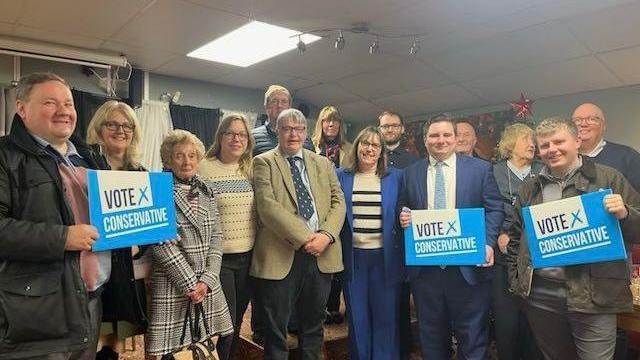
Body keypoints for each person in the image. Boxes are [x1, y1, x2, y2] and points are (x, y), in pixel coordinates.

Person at [505, 117, 640, 360]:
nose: (552, 149)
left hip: (594, 295)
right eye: (544, 145)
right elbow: (515, 237)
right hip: (542, 297)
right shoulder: (530, 187)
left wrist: (625, 214)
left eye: (559, 141)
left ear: (577, 141)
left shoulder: (609, 178)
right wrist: (517, 282)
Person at [0, 72, 105, 358]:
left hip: (91, 298)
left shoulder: (88, 157)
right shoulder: (4, 156)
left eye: (69, 104)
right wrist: (63, 237)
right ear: (21, 108)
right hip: (36, 311)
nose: (64, 111)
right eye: (50, 102)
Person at [398, 114, 504, 360]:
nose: (441, 140)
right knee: (432, 338)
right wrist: (403, 216)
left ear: (456, 139)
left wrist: (488, 243)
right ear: (425, 140)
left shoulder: (480, 169)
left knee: (473, 339)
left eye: (447, 135)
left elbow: (495, 208)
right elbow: (403, 207)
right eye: (434, 135)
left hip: (468, 270)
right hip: (427, 273)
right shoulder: (410, 173)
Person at [251, 108, 346, 360]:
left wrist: (325, 235)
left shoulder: (323, 164)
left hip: (321, 254)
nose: (293, 134)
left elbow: (339, 202)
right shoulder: (263, 162)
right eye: (286, 128)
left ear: (305, 133)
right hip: (281, 254)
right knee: (276, 330)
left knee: (314, 326)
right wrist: (307, 238)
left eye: (298, 128)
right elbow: (267, 206)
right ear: (278, 131)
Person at [146, 130, 234, 359]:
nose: (187, 161)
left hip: (206, 284)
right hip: (174, 285)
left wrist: (207, 279)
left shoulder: (207, 189)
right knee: (172, 352)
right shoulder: (157, 190)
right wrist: (190, 284)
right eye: (179, 156)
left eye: (192, 155)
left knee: (216, 341)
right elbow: (160, 245)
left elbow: (217, 236)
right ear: (168, 159)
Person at [85, 101, 149, 360]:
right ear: (99, 128)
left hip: (125, 275)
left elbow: (149, 228)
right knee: (87, 345)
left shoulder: (141, 173)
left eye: (127, 125)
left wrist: (140, 244)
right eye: (112, 124)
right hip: (91, 269)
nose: (120, 130)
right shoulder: (84, 167)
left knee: (111, 347)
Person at [337, 126, 404, 359]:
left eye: (376, 145)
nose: (370, 149)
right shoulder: (340, 176)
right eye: (365, 143)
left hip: (385, 259)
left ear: (382, 151)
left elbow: (404, 210)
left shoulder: (396, 177)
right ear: (356, 147)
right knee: (357, 319)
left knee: (386, 318)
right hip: (353, 259)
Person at [199, 113, 257, 354]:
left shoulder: (253, 169)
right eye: (230, 133)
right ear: (220, 136)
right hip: (218, 258)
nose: (236, 138)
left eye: (242, 134)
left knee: (237, 321)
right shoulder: (203, 167)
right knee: (226, 325)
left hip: (249, 256)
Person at [491, 123, 543, 360]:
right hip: (503, 259)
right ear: (510, 143)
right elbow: (487, 207)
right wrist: (498, 234)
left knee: (535, 325)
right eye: (526, 139)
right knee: (506, 323)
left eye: (534, 140)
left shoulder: (544, 170)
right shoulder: (493, 172)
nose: (532, 144)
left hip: (538, 258)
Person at [377, 110, 417, 357]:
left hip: (403, 241)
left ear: (402, 129)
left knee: (402, 301)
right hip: (373, 240)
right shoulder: (370, 156)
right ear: (379, 129)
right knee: (379, 299)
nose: (389, 130)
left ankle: (402, 350)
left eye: (394, 126)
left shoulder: (414, 161)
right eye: (385, 126)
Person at [312, 105, 352, 324]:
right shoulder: (310, 147)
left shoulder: (349, 149)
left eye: (335, 121)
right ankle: (318, 309)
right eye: (327, 120)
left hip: (342, 209)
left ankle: (334, 307)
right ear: (321, 124)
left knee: (338, 259)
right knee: (321, 260)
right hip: (317, 212)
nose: (331, 124)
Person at [572, 103, 640, 191]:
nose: (583, 124)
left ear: (603, 126)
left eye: (592, 119)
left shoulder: (627, 156)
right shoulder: (562, 159)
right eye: (577, 120)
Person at [252, 84, 313, 156]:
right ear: (266, 106)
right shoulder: (252, 137)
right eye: (274, 101)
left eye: (284, 101)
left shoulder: (305, 140)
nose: (279, 105)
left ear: (289, 107)